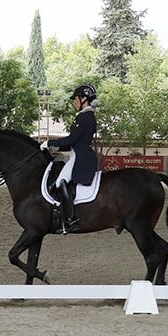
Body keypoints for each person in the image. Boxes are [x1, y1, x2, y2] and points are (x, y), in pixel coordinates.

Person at [41, 83, 99, 233]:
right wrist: (56, 147)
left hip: (81, 157)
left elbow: (72, 140)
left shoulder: (86, 116)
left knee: (60, 182)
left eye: (76, 99)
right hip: (77, 153)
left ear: (84, 99)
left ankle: (69, 219)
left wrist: (50, 142)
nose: (74, 102)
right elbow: (73, 141)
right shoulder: (84, 116)